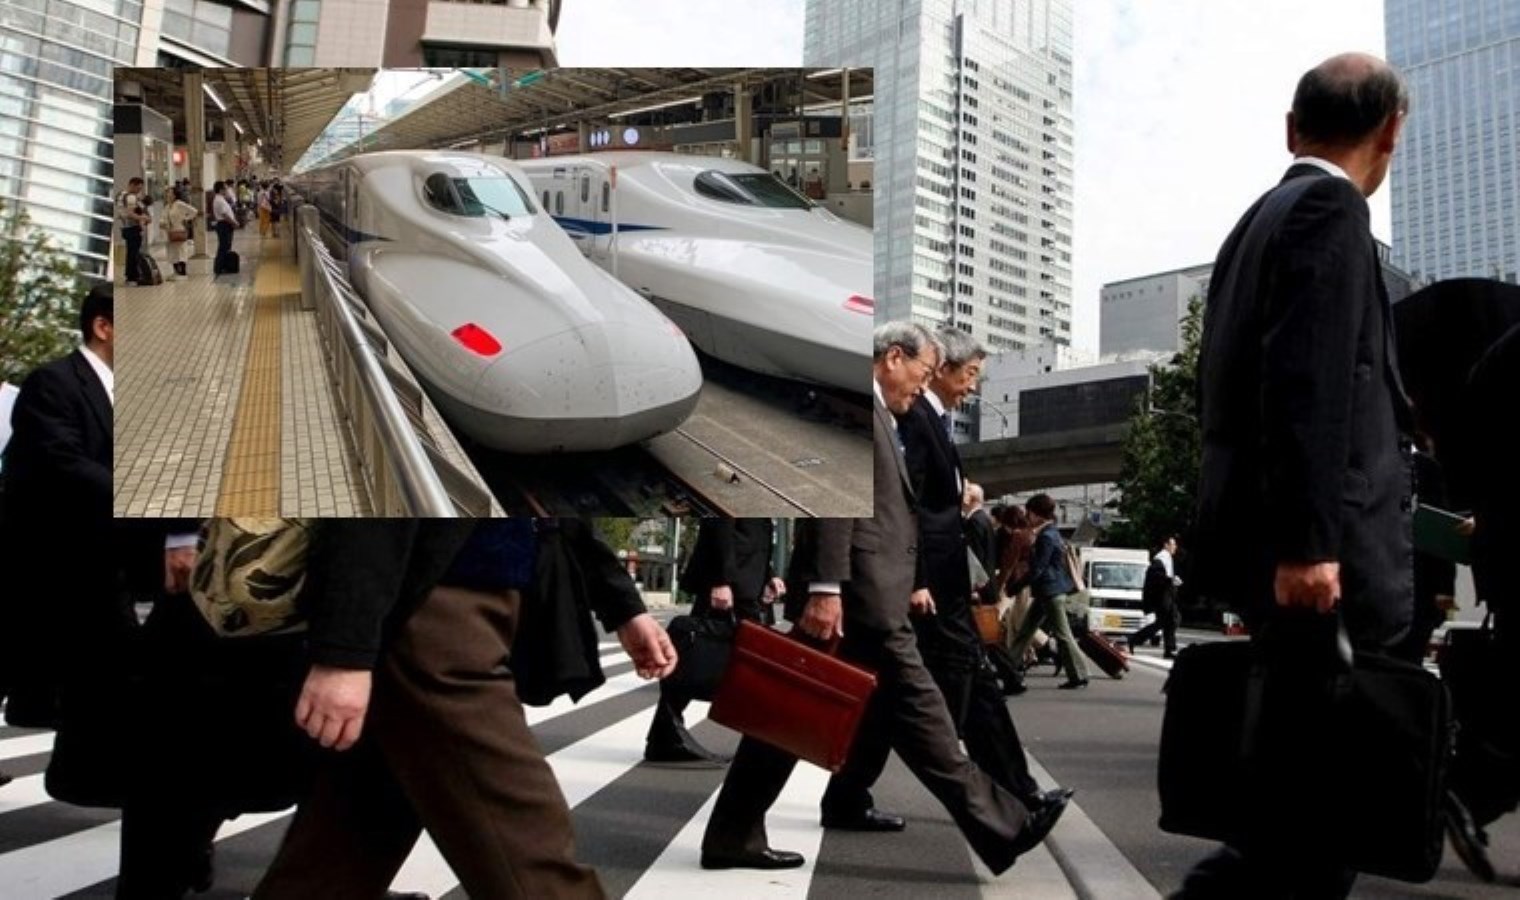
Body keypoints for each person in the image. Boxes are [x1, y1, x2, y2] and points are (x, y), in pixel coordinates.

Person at [698, 321, 1067, 875]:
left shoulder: (884, 414)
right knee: (922, 720)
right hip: (860, 597)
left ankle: (732, 833)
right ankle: (1006, 826)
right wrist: (825, 587)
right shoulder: (864, 414)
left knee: (792, 711)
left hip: (871, 594)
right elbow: (836, 502)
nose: (922, 387)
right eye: (921, 374)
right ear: (893, 357)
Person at [1177, 53, 1413, 900]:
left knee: (1295, 823)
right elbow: (1307, 383)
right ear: (1392, 131)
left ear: (1291, 127)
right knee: (1309, 831)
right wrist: (1308, 545)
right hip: (1323, 570)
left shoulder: (1258, 218)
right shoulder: (1329, 208)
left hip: (1282, 559)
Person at [252, 520, 678, 899]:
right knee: (528, 844)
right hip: (436, 606)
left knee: (341, 848)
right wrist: (345, 650)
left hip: (464, 593)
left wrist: (621, 603)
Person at [856, 326, 1067, 814]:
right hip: (929, 586)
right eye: (968, 374)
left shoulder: (933, 421)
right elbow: (907, 509)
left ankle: (1016, 791)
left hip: (946, 586)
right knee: (932, 701)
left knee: (959, 689)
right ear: (941, 370)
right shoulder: (909, 419)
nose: (972, 387)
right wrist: (919, 580)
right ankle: (1005, 800)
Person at [0, 286, 130, 803]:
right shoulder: (51, 384)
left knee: (111, 672)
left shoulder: (120, 391)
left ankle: (86, 775)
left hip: (99, 564)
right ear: (104, 327)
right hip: (44, 565)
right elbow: (64, 465)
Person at [644, 519, 783, 765]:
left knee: (696, 656)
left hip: (743, 579)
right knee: (706, 657)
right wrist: (721, 579)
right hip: (731, 582)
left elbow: (755, 533)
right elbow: (718, 523)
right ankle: (758, 748)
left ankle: (663, 737)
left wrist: (767, 574)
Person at [1003, 495, 1089, 689]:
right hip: (1048, 591)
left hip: (1050, 592)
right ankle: (1008, 667)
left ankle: (1080, 674)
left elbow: (1038, 568)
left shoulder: (1046, 536)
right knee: (1025, 632)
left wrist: (1016, 586)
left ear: (1037, 514)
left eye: (1029, 512)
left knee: (1062, 634)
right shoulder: (1052, 533)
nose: (1027, 516)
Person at [1128, 536, 1182, 658]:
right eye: (1173, 544)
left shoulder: (1166, 558)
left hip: (1167, 597)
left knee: (1170, 622)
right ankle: (1135, 639)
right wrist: (1171, 580)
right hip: (1162, 599)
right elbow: (1157, 578)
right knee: (1169, 621)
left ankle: (1168, 650)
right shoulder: (1160, 559)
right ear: (1166, 545)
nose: (1175, 547)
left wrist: (1172, 581)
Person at [116, 177, 150, 285]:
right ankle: (132, 277)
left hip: (126, 228)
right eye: (138, 188)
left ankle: (131, 276)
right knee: (133, 253)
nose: (138, 191)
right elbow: (130, 213)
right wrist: (143, 218)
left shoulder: (120, 195)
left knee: (131, 252)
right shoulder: (130, 197)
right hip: (133, 228)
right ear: (132, 185)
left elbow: (123, 213)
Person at [160, 187, 199, 279]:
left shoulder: (179, 204)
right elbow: (163, 217)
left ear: (175, 195)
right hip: (169, 231)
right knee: (172, 251)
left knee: (181, 250)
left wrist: (185, 219)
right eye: (167, 193)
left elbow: (194, 211)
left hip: (179, 229)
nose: (168, 195)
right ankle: (175, 272)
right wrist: (162, 223)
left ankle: (182, 272)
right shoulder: (167, 206)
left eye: (170, 193)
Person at [211, 181, 238, 275]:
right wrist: (234, 222)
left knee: (226, 246)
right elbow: (225, 215)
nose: (227, 190)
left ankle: (224, 266)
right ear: (221, 190)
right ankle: (218, 268)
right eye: (225, 188)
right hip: (224, 225)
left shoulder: (221, 199)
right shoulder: (219, 200)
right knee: (223, 247)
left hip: (225, 225)